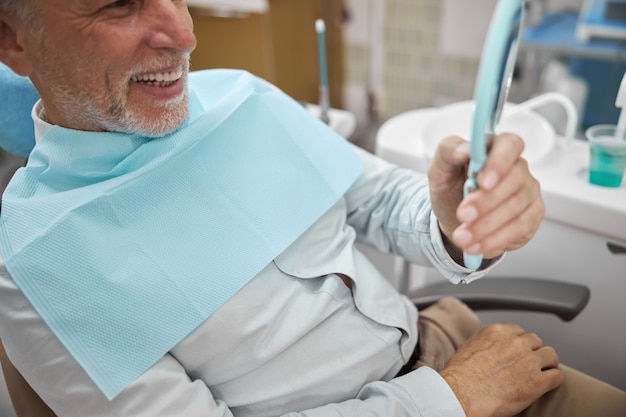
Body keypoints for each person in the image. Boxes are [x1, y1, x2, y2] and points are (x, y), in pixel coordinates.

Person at [0, 1, 624, 417]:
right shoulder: (37, 260)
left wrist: (455, 219)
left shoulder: (242, 98)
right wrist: (450, 399)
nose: (184, 35)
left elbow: (378, 201)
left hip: (449, 349)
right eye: (118, 1)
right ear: (12, 39)